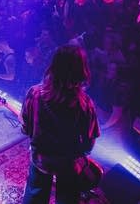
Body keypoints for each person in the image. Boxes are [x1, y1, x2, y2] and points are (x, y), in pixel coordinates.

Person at [20, 44, 100, 204]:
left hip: (41, 158)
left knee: (35, 193)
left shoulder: (35, 94)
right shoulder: (85, 103)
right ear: (81, 70)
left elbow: (26, 128)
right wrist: (81, 156)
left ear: (54, 66)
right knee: (68, 198)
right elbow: (90, 140)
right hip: (68, 164)